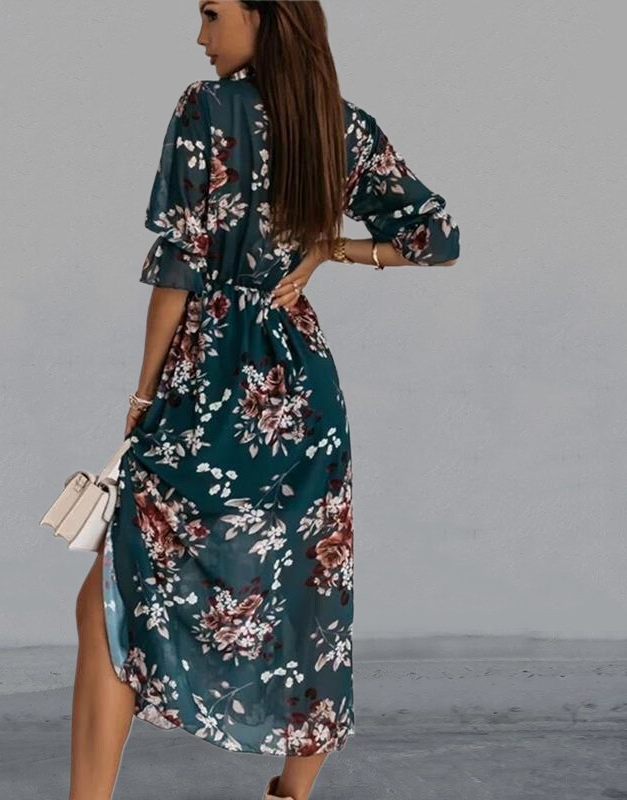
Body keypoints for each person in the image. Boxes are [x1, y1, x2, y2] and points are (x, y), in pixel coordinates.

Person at [70, 2, 460, 799]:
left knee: (116, 596)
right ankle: (290, 797)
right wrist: (331, 249)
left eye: (213, 14)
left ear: (264, 15)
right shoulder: (341, 125)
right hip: (300, 392)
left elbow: (181, 265)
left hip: (207, 378)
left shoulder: (207, 109)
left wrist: (143, 391)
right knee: (309, 600)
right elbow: (436, 236)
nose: (201, 36)